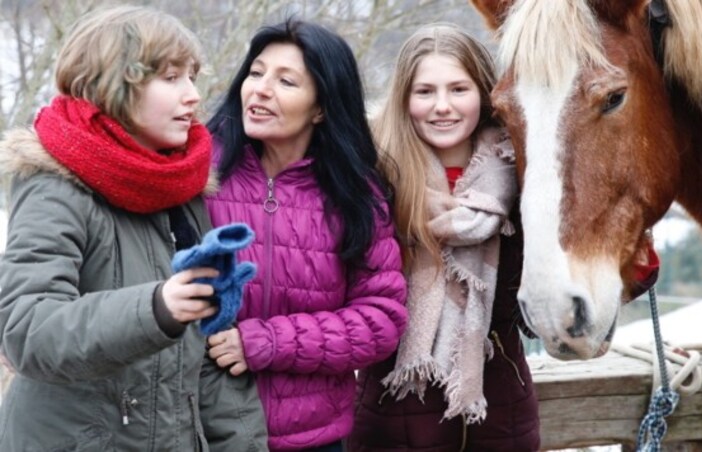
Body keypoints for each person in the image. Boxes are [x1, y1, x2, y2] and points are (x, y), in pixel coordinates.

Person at [348, 24, 661, 451]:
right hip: (391, 421)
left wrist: (627, 247)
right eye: (425, 92)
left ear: (483, 92)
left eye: (458, 89)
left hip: (499, 419)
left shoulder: (526, 180)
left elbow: (547, 303)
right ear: (404, 99)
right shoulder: (373, 182)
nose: (442, 106)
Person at [0, 6, 267, 451]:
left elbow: (211, 355)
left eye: (192, 77)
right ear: (113, 85)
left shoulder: (182, 187)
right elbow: (27, 329)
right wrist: (156, 306)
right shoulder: (55, 186)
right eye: (170, 78)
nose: (193, 96)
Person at [204, 19, 408, 451]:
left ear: (321, 107)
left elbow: (380, 320)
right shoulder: (199, 170)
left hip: (313, 438)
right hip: (206, 430)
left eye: (286, 81)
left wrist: (265, 341)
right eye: (255, 73)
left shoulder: (356, 194)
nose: (259, 89)